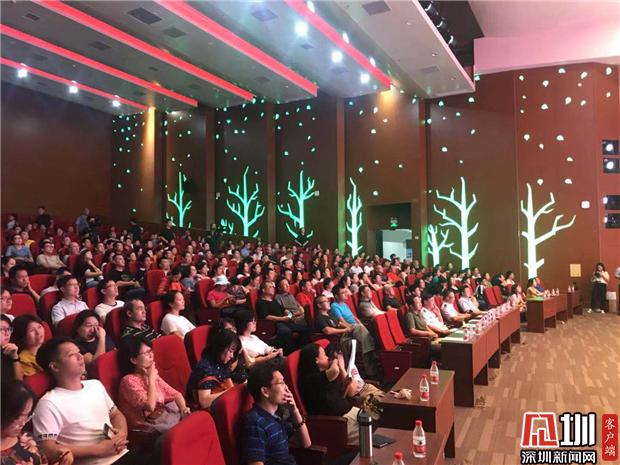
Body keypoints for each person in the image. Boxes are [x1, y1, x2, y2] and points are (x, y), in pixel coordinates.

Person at [33, 337, 136, 465]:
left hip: (123, 454)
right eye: (72, 354)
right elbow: (48, 449)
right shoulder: (49, 403)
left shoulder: (95, 385)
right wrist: (98, 450)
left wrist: (122, 433)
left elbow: (116, 414)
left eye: (79, 352)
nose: (80, 356)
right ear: (55, 366)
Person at [241, 362, 311, 465]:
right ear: (265, 391)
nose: (286, 388)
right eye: (281, 383)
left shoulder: (277, 415)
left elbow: (306, 443)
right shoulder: (255, 423)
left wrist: (294, 410)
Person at [117, 336, 190, 432]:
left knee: (191, 422)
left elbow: (176, 395)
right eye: (146, 353)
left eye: (151, 351)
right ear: (134, 360)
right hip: (146, 428)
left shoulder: (150, 373)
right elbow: (150, 407)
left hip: (161, 418)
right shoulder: (128, 381)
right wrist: (151, 379)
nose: (151, 356)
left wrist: (184, 410)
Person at [298, 343, 359, 444]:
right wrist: (335, 361)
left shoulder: (324, 376)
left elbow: (341, 395)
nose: (327, 358)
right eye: (324, 355)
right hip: (338, 423)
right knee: (371, 431)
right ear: (316, 360)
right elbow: (334, 371)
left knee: (378, 418)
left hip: (348, 414)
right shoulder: (310, 379)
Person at [2, 380, 71, 465]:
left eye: (27, 416)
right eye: (17, 417)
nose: (23, 423)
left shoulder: (26, 438)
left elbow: (42, 459)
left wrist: (58, 456)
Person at [186, 329, 238, 410]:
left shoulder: (222, 362)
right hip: (198, 409)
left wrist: (234, 392)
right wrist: (229, 393)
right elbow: (204, 402)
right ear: (221, 347)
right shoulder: (205, 368)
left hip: (216, 402)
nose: (232, 356)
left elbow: (230, 386)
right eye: (231, 351)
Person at [255, 282, 310, 355]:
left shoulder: (274, 301)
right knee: (285, 332)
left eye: (273, 287)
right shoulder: (261, 302)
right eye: (270, 287)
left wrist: (290, 315)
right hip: (275, 324)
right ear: (263, 290)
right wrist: (282, 319)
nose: (273, 288)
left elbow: (284, 310)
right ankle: (291, 353)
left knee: (306, 328)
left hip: (285, 322)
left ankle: (302, 350)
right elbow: (266, 316)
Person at [1, 315, 23, 381]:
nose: (7, 334)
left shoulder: (9, 350)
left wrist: (15, 357)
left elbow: (19, 381)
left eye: (9, 329)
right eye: (2, 329)